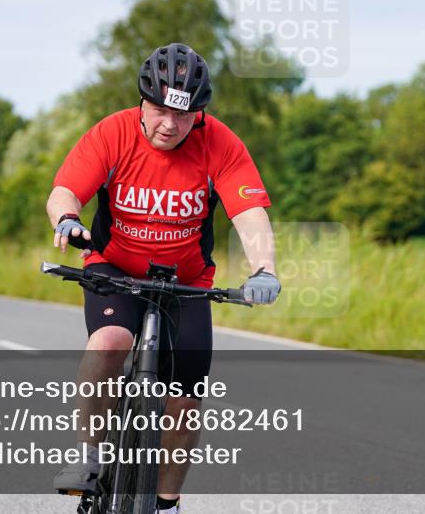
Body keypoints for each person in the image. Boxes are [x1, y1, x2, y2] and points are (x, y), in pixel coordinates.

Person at [46, 42, 282, 514]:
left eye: (184, 115)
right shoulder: (112, 134)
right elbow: (65, 190)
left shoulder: (220, 143)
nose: (169, 126)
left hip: (187, 280)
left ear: (199, 114)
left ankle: (168, 502)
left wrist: (264, 268)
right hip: (114, 268)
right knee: (109, 341)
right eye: (158, 111)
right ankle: (90, 457)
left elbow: (249, 213)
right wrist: (68, 220)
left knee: (186, 395)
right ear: (142, 100)